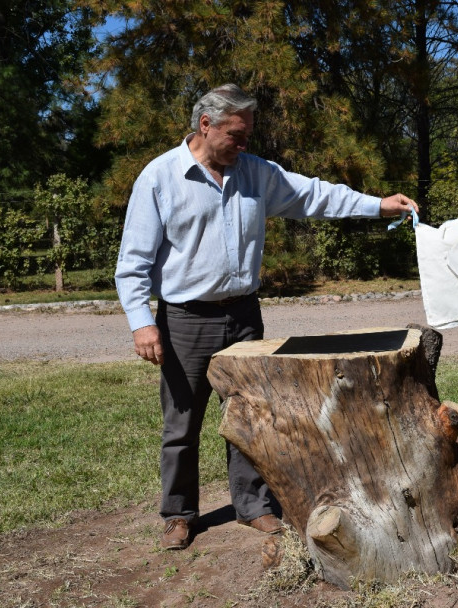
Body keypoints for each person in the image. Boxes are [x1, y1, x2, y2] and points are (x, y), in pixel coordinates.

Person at [115, 83, 418, 550]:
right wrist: (141, 321)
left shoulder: (256, 173)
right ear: (205, 125)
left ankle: (253, 505)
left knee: (251, 416)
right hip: (184, 320)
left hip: (243, 315)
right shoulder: (158, 178)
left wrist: (377, 206)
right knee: (181, 423)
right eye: (236, 135)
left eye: (248, 135)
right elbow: (133, 261)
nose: (244, 144)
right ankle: (179, 514)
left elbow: (315, 196)